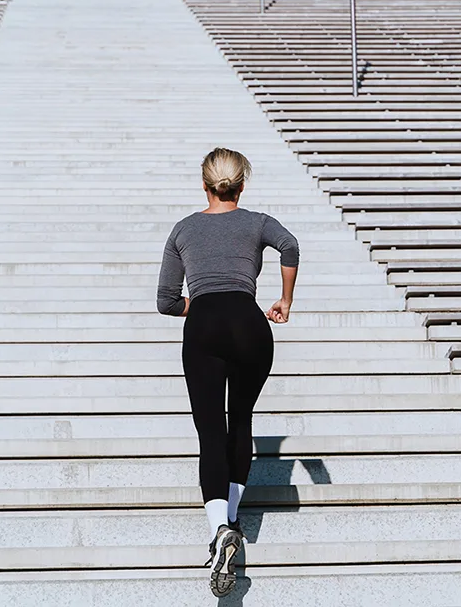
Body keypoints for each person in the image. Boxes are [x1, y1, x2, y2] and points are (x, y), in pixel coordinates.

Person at [156, 147, 299, 598]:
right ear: (242, 184)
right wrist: (284, 300)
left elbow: (165, 300)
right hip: (250, 322)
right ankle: (233, 517)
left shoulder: (184, 228)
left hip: (205, 324)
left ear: (205, 185)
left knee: (209, 431)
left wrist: (200, 304)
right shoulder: (257, 222)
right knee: (240, 420)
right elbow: (291, 245)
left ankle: (220, 528)